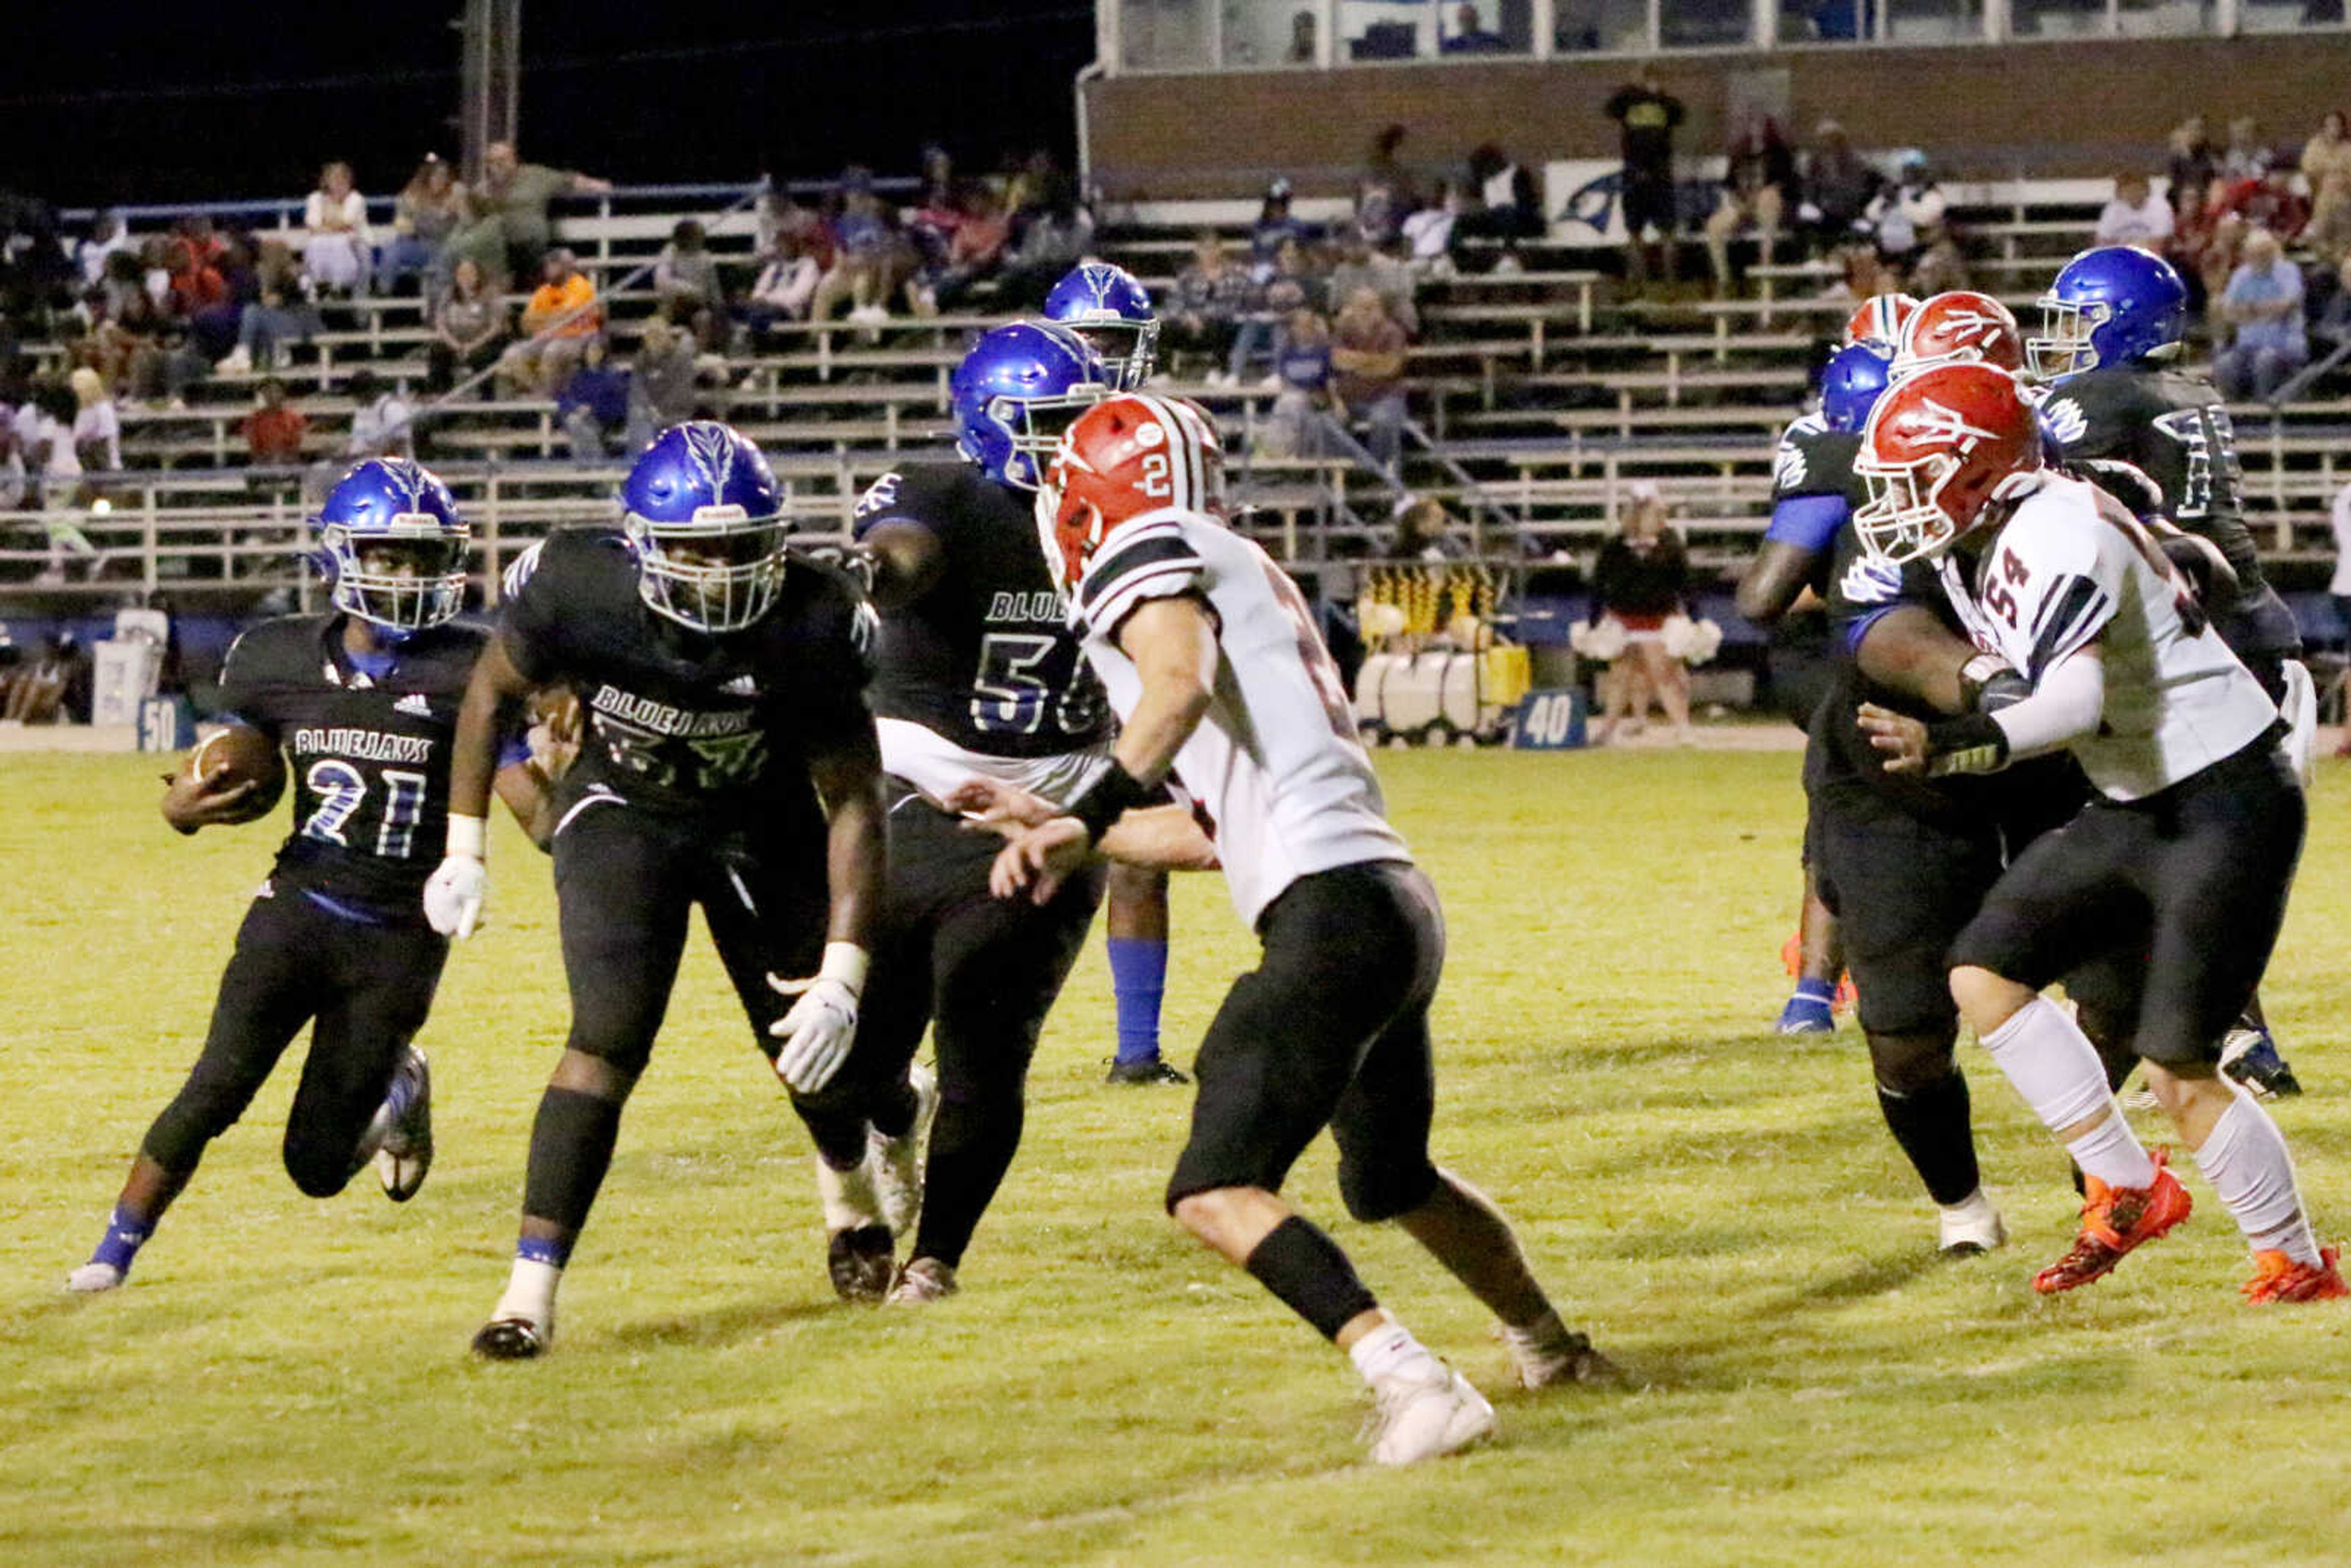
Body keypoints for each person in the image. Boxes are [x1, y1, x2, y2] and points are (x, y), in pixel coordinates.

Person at [989, 392, 1622, 1466]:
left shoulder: (1150, 546)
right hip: (1385, 900)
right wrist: (1065, 826)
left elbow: (1175, 689)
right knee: (1390, 1179)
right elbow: (1210, 833)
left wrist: (1082, 812)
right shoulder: (1233, 557)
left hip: (1335, 914)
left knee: (1214, 1186)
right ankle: (1551, 1346)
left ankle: (1413, 1376)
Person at [1849, 362, 2342, 1304]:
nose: (1902, 504)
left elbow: (2073, 700)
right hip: (2138, 798)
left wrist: (1955, 743)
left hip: (2224, 797)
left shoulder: (2053, 528)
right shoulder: (2019, 515)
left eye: (1915, 479)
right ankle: (2127, 1186)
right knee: (1984, 973)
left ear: (1980, 468)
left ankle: (2297, 1262)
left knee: (2178, 1067)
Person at [427, 422, 888, 1358]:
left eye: (739, 548)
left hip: (764, 822)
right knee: (604, 1039)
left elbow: (853, 799)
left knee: (804, 1046)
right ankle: (527, 1296)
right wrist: (464, 844)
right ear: (640, 544)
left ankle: (849, 1189)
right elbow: (488, 695)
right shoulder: (580, 586)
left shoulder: (811, 618)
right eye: (696, 549)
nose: (719, 572)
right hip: (624, 811)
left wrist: (844, 969)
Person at [62, 460, 537, 1292]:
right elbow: (227, 768)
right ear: (341, 559)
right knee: (215, 1085)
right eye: (389, 557)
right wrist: (183, 807)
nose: (410, 577)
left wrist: (573, 796)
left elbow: (528, 797)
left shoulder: (474, 667)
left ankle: (402, 1083)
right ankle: (112, 1253)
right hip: (297, 909)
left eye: (425, 559)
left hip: (400, 938)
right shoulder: (275, 657)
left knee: (316, 1167)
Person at [1042, 266, 1191, 1085]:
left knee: (1141, 857)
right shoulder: (1033, 427)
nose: (1101, 359)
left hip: (1126, 654)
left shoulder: (1152, 435)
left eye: (1115, 344)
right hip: (1033, 658)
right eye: (1088, 342)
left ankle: (1137, 1050)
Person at [1736, 334, 1898, 1035]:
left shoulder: (1838, 454)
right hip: (1924, 655)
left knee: (1839, 817)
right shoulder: (1833, 454)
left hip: (1881, 651)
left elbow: (1761, 597)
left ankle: (1815, 993)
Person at [1588, 484, 1692, 745]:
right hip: (1623, 618)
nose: (1661, 520)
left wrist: (1692, 615)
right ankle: (1607, 730)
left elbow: (1684, 581)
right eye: (1656, 514)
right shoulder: (1616, 545)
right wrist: (1594, 619)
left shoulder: (1669, 543)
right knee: (1620, 677)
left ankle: (1683, 729)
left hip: (1656, 619)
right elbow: (1599, 582)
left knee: (1664, 674)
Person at [1604, 67, 1682, 285]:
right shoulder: (1629, 101)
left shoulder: (1666, 104)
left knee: (1667, 233)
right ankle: (1639, 282)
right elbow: (1610, 109)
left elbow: (1679, 114)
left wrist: (1658, 96)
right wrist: (1634, 89)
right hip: (1634, 173)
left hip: (1660, 176)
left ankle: (1670, 283)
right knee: (1634, 232)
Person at [1704, 111, 1796, 296]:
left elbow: (1783, 184)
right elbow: (1729, 188)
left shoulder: (1779, 154)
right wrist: (1740, 205)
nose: (1756, 133)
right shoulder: (1738, 156)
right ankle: (1724, 280)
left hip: (1769, 206)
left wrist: (1757, 198)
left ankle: (1766, 262)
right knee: (1714, 226)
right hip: (1742, 205)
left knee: (1768, 198)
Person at [2212, 229, 2308, 400]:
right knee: (2224, 364)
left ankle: (2263, 410)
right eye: (2254, 254)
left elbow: (2286, 306)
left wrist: (2248, 311)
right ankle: (2234, 412)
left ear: (2273, 252)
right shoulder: (2241, 276)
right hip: (2247, 347)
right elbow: (2228, 312)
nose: (2260, 258)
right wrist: (2264, 311)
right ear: (2246, 255)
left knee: (2265, 360)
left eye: (2264, 253)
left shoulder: (2288, 271)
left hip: (2284, 347)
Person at [499, 249, 601, 396]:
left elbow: (566, 316)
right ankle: (538, 392)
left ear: (565, 267)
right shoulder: (544, 291)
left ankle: (551, 395)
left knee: (552, 351)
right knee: (512, 354)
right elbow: (526, 323)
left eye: (551, 265)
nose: (547, 270)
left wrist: (542, 318)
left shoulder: (581, 286)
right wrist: (549, 319)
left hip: (578, 338)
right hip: (546, 338)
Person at [1329, 286, 1408, 473]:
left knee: (1383, 420)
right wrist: (1373, 362)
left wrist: (1355, 362)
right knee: (1326, 420)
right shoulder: (1343, 330)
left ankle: (1375, 471)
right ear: (1352, 308)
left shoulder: (1393, 332)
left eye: (1372, 307)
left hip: (1386, 396)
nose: (1368, 312)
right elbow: (1338, 360)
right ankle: (1349, 469)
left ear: (1380, 308)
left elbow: (1390, 367)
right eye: (1362, 307)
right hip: (1349, 398)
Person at [377, 156, 466, 298]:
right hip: (420, 244)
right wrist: (413, 217)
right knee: (390, 251)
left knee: (445, 257)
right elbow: (401, 224)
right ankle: (383, 293)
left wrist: (457, 208)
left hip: (447, 245)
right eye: (436, 175)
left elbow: (467, 222)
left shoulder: (457, 191)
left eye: (444, 176)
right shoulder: (413, 193)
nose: (440, 179)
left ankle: (439, 305)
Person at [425, 258, 506, 394]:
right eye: (461, 274)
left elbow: (496, 327)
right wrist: (455, 345)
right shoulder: (449, 293)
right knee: (437, 350)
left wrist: (473, 345)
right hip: (455, 340)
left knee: (482, 357)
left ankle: (486, 401)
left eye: (470, 273)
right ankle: (441, 395)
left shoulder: (490, 293)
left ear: (478, 275)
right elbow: (440, 323)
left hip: (482, 340)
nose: (466, 277)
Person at [556, 337, 632, 462]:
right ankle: (594, 459)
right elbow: (563, 398)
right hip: (580, 418)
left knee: (575, 423)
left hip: (603, 420)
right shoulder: (576, 376)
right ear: (585, 353)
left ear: (603, 353)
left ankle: (591, 460)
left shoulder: (613, 376)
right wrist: (576, 407)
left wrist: (592, 409)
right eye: (591, 350)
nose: (594, 354)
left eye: (597, 350)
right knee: (574, 421)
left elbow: (619, 405)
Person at [301, 162, 371, 296]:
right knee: (316, 244)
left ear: (349, 182)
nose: (339, 184)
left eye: (343, 180)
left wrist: (325, 225)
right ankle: (320, 287)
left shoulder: (356, 199)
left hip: (356, 248)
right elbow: (313, 226)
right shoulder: (316, 199)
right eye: (335, 180)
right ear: (327, 182)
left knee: (347, 245)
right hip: (323, 245)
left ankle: (344, 289)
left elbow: (347, 222)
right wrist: (334, 227)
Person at [2095, 173, 2174, 249]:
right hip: (2120, 257)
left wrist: (2128, 245)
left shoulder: (2159, 206)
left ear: (2146, 190)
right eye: (2127, 190)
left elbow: (2159, 243)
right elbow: (2102, 242)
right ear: (2119, 194)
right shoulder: (2113, 209)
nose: (2133, 194)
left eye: (2136, 189)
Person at [241, 378, 308, 467]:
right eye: (268, 391)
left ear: (283, 394)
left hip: (289, 463)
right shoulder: (252, 420)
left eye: (277, 391)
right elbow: (255, 451)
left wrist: (281, 460)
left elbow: (295, 449)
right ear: (263, 394)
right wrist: (268, 461)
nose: (272, 395)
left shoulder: (295, 419)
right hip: (263, 463)